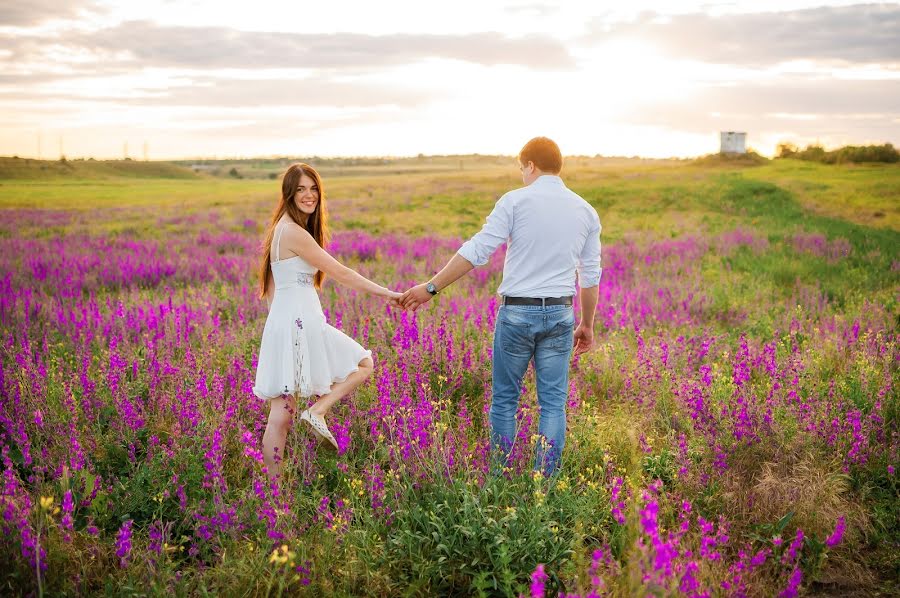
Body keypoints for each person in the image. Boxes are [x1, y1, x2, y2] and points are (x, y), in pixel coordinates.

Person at [399, 137, 601, 475]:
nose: (522, 174)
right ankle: (545, 485)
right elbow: (591, 273)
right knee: (553, 403)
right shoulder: (585, 210)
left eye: (522, 168)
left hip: (517, 313)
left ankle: (500, 477)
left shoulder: (515, 201)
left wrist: (431, 287)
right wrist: (587, 324)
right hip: (562, 313)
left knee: (505, 399)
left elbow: (478, 251)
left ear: (530, 165)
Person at [254, 163, 400, 481]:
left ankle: (274, 489)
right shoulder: (292, 231)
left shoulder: (284, 229)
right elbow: (342, 273)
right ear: (289, 195)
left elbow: (272, 290)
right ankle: (316, 412)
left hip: (291, 324)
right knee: (362, 363)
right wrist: (388, 293)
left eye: (313, 188)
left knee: (282, 413)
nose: (309, 195)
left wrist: (280, 330)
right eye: (301, 189)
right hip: (300, 324)